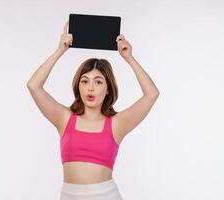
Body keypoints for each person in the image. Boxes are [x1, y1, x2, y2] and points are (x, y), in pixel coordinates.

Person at [26, 20, 160, 200]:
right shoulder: (64, 118)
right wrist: (60, 50)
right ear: (78, 86)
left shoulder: (117, 123)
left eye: (98, 82)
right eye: (85, 81)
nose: (90, 88)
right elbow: (34, 86)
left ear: (107, 89)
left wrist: (129, 58)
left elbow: (151, 94)